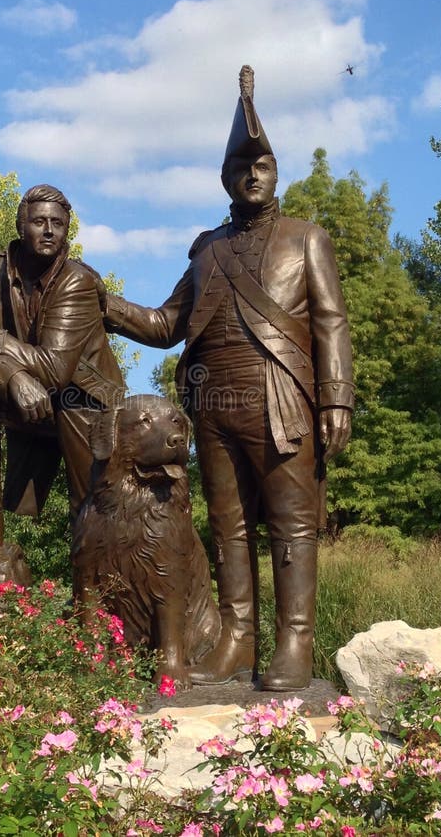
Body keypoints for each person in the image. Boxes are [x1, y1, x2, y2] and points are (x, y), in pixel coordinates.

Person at [104, 67, 354, 689]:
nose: (252, 175)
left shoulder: (307, 240)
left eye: (262, 166)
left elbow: (331, 322)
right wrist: (101, 301)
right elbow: (167, 324)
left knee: (292, 524)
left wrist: (336, 399)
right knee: (229, 526)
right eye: (241, 167)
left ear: (275, 174)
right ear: (225, 177)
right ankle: (239, 640)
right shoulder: (206, 250)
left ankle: (294, 641)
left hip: (282, 400)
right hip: (212, 405)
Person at [0, 184, 123, 567]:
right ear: (22, 226)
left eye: (58, 223)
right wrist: (16, 379)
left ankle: (103, 603)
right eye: (39, 221)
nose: (49, 230)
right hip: (26, 399)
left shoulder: (77, 281)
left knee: (93, 512)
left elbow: (54, 369)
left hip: (84, 401)